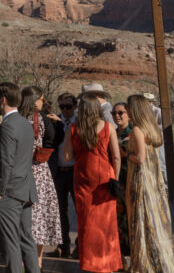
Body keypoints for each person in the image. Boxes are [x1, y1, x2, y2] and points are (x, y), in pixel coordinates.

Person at [60, 92, 121, 273]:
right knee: (107, 223)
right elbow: (116, 157)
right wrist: (115, 178)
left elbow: (67, 156)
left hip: (83, 178)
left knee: (87, 221)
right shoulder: (108, 127)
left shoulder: (74, 129)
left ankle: (90, 263)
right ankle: (107, 263)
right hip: (104, 178)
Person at [0, 81, 39, 273]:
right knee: (26, 239)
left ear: (4, 99)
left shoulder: (8, 126)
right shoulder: (25, 123)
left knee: (10, 244)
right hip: (25, 188)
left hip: (9, 191)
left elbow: (6, 162)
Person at [125, 94, 174, 273]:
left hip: (141, 181)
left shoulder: (137, 130)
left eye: (128, 107)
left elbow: (139, 158)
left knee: (142, 220)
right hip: (153, 183)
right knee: (153, 222)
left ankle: (144, 264)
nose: (126, 110)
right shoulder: (151, 129)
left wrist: (127, 155)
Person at [19, 85, 61, 266]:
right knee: (41, 216)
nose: (43, 103)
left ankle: (22, 262)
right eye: (41, 99)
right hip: (41, 171)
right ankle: (39, 261)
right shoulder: (41, 118)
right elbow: (53, 140)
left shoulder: (16, 118)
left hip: (21, 171)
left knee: (25, 218)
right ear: (34, 99)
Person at [52, 92, 78, 258]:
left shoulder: (80, 122)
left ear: (75, 107)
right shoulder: (54, 122)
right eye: (62, 107)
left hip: (75, 172)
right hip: (58, 172)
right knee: (59, 211)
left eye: (68, 106)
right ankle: (63, 245)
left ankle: (80, 246)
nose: (65, 110)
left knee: (79, 210)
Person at [112, 101, 133, 259]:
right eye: (114, 113)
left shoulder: (134, 133)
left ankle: (132, 254)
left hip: (131, 179)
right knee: (118, 218)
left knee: (131, 217)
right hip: (116, 180)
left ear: (129, 114)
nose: (117, 116)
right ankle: (121, 255)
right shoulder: (112, 132)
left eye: (121, 113)